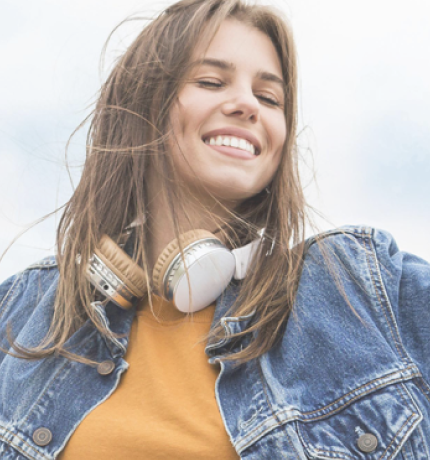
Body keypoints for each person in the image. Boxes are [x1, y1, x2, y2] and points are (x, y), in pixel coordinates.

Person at [0, 0, 429, 458]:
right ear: (140, 107)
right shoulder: (20, 311)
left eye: (270, 98)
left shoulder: (360, 283)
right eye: (210, 81)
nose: (247, 105)